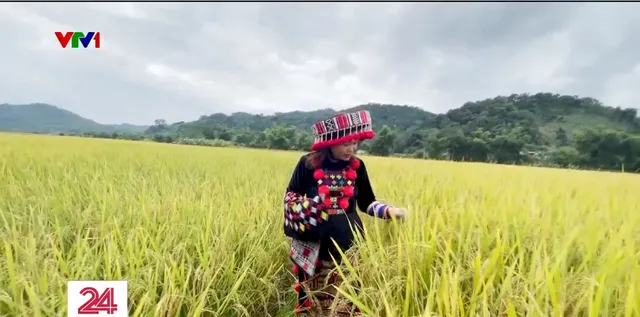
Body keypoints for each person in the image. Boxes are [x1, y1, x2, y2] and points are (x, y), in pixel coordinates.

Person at [282, 110, 407, 316]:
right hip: (314, 243)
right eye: (345, 143)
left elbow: (366, 202)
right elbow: (291, 195)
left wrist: (389, 211)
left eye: (355, 142)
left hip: (348, 243)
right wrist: (310, 208)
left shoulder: (357, 167)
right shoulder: (307, 163)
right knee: (311, 300)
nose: (352, 148)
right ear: (330, 142)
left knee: (345, 299)